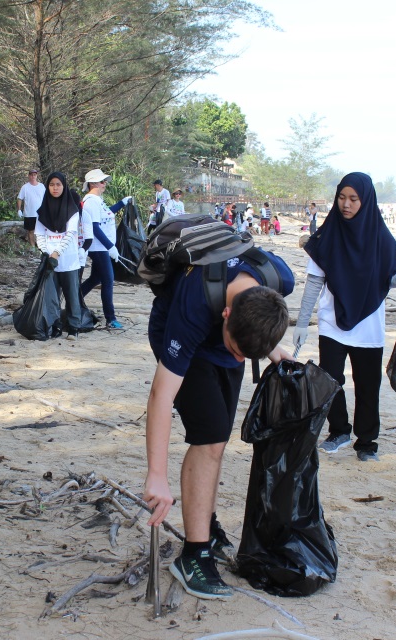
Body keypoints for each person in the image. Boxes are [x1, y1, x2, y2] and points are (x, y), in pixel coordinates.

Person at [143, 245, 295, 599]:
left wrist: (271, 349)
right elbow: (160, 396)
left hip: (228, 336)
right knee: (208, 437)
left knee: (219, 438)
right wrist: (157, 475)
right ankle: (194, 555)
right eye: (237, 348)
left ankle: (207, 528)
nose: (239, 357)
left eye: (246, 355)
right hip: (182, 340)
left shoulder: (279, 277)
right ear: (226, 313)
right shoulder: (193, 306)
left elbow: (253, 326)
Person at [293, 172, 396, 462]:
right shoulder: (326, 235)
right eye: (341, 197)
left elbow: (392, 278)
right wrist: (302, 323)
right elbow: (314, 282)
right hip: (332, 321)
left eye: (353, 199)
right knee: (331, 379)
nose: (346, 204)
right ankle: (338, 431)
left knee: (367, 384)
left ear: (366, 200)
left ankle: (366, 442)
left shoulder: (381, 238)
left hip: (369, 324)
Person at [80, 169, 131, 330]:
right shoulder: (91, 202)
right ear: (93, 183)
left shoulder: (98, 200)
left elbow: (108, 213)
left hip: (103, 247)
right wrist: (110, 247)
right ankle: (111, 318)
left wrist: (122, 203)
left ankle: (74, 299)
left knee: (96, 278)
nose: (105, 184)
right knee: (108, 280)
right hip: (98, 247)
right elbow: (94, 228)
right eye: (102, 182)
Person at [35, 172, 83, 340]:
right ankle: (55, 326)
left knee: (71, 295)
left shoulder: (72, 209)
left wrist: (57, 252)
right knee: (52, 295)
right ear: (47, 187)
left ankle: (73, 327)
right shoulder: (43, 210)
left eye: (58, 185)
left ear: (64, 186)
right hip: (50, 260)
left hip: (68, 259)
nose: (55, 188)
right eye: (52, 185)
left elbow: (70, 234)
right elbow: (39, 234)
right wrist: (46, 252)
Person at [17, 169, 46, 248]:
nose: (33, 176)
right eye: (31, 175)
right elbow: (20, 198)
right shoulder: (25, 187)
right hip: (29, 213)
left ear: (36, 176)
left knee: (41, 231)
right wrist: (19, 209)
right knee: (31, 231)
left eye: (34, 175)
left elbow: (46, 199)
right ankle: (33, 247)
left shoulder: (41, 186)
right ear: (29, 176)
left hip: (40, 213)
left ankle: (41, 247)